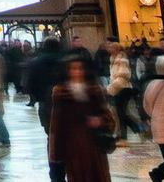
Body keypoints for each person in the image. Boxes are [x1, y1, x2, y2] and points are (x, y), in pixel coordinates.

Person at [48, 57, 116, 182]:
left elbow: (108, 116)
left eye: (80, 68)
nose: (78, 72)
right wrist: (55, 151)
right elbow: (56, 123)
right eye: (74, 69)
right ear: (67, 71)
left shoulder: (95, 89)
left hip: (94, 144)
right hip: (73, 145)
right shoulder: (60, 92)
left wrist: (100, 120)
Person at [26, 37, 66, 182]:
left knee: (52, 137)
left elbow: (30, 85)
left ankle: (56, 174)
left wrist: (40, 97)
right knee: (68, 136)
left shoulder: (36, 62)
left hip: (46, 104)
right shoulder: (67, 60)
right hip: (66, 104)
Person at [107, 42, 141, 142]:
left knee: (120, 113)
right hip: (117, 89)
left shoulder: (122, 60)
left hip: (123, 89)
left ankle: (124, 136)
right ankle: (131, 132)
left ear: (116, 50)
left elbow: (124, 76)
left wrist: (110, 88)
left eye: (111, 47)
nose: (109, 48)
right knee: (120, 113)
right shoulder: (113, 60)